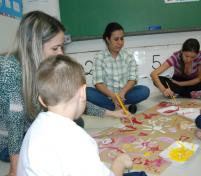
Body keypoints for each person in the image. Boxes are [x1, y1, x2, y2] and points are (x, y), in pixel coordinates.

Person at [0, 11, 127, 176]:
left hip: (33, 128)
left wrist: (111, 113)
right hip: (10, 142)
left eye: (62, 47)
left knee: (76, 120)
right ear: (34, 45)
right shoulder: (9, 68)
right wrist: (15, 168)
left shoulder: (44, 67)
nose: (60, 53)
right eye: (55, 48)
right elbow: (14, 121)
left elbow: (70, 99)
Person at [17, 55, 133, 176]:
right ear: (83, 92)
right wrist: (120, 163)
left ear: (41, 100)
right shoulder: (79, 141)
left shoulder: (35, 127)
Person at [87, 22, 150, 113]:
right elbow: (98, 83)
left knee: (144, 91)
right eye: (116, 39)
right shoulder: (99, 57)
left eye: (122, 39)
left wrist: (123, 92)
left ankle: (113, 107)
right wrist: (113, 96)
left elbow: (133, 78)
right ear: (108, 39)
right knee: (87, 92)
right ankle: (120, 107)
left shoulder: (128, 55)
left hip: (125, 95)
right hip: (107, 96)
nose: (120, 42)